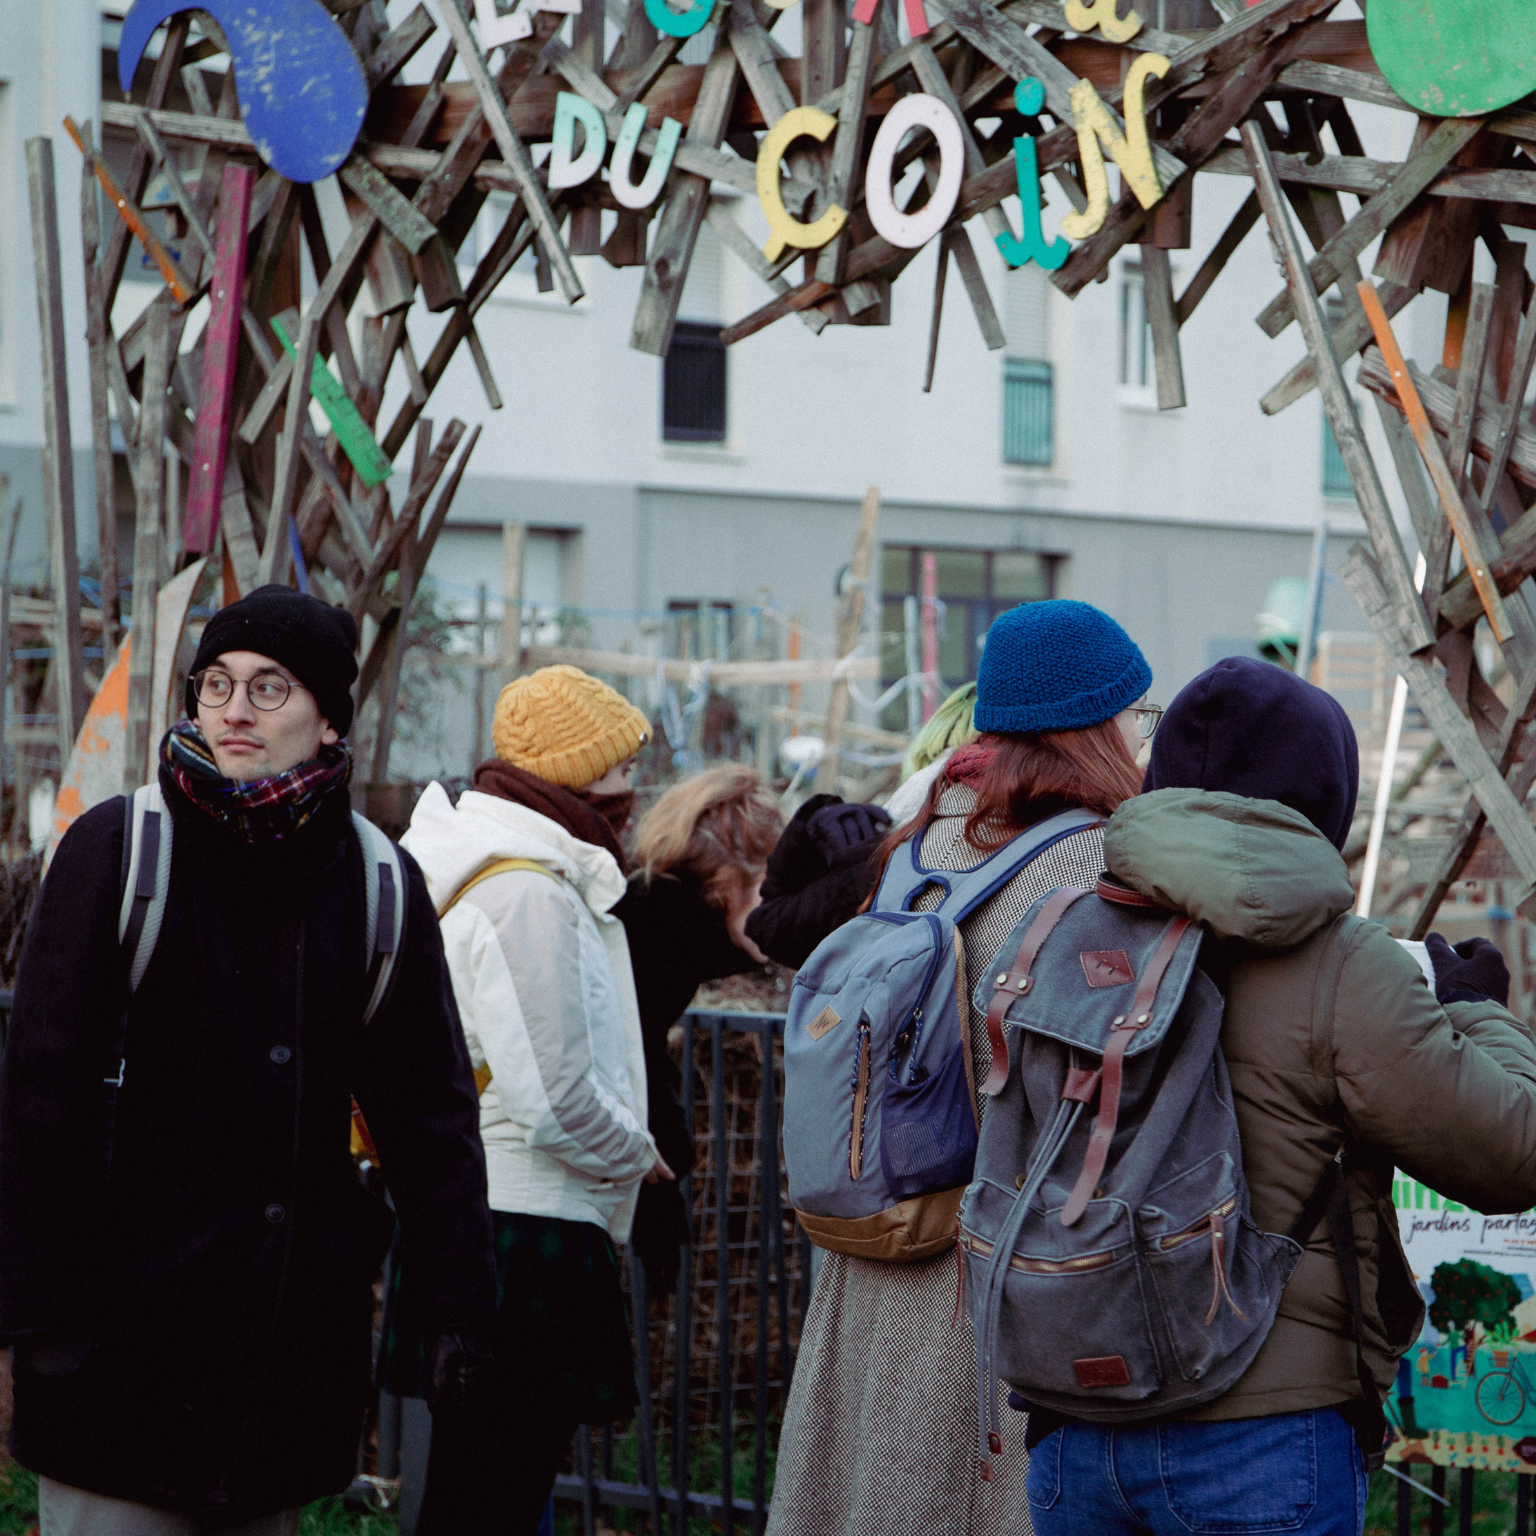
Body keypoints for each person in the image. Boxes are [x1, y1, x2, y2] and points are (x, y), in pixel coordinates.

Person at [0, 585, 496, 1536]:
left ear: (326, 718)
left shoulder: (377, 878)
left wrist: (458, 1296)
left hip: (283, 1358)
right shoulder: (120, 848)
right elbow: (39, 1107)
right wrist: (40, 1321)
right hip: (120, 1353)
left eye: (270, 689)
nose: (233, 709)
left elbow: (427, 1113)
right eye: (216, 684)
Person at [1025, 655, 1536, 1536]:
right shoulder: (1343, 964)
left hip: (1073, 1420)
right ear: (1323, 800)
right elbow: (1513, 1153)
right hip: (1261, 1436)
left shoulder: (1065, 930)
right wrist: (1474, 1010)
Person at [767, 599, 1158, 1536]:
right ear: (1097, 724)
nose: (1145, 738)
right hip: (995, 1264)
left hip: (879, 1234)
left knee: (868, 1488)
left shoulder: (912, 854)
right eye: (1138, 716)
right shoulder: (1093, 866)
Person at [401, 664, 665, 1535]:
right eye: (622, 765)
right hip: (527, 1229)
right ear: (580, 774)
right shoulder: (525, 893)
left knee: (483, 1493)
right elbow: (552, 1099)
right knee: (490, 1501)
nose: (634, 787)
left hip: (494, 1218)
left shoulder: (510, 872)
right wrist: (640, 1156)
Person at [613, 765, 782, 1297]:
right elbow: (629, 1042)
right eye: (770, 887)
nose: (779, 907)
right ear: (727, 879)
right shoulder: (657, 922)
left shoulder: (666, 911)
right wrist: (662, 1162)